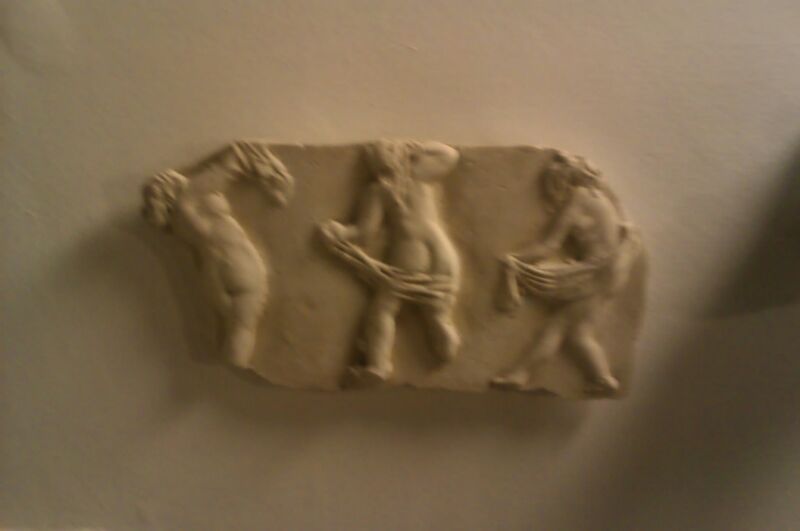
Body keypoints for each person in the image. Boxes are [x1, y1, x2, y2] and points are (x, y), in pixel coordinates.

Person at [492, 151, 640, 394]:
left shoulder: (578, 198)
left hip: (598, 272)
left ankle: (520, 374)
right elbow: (624, 225)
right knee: (577, 333)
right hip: (612, 268)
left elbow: (548, 246)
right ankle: (601, 379)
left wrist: (514, 259)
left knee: (558, 326)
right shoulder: (598, 195)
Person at [320, 139, 461, 384]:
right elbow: (450, 155)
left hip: (411, 251)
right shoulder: (420, 177)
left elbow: (364, 233)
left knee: (384, 307)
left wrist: (339, 231)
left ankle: (378, 365)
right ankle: (447, 349)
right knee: (437, 310)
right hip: (443, 253)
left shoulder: (379, 190)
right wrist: (417, 150)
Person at [141, 141, 294, 368]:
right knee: (244, 328)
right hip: (238, 266)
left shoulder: (178, 222)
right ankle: (237, 363)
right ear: (169, 186)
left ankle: (233, 361)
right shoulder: (191, 195)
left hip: (213, 277)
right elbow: (235, 157)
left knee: (236, 329)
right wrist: (273, 175)